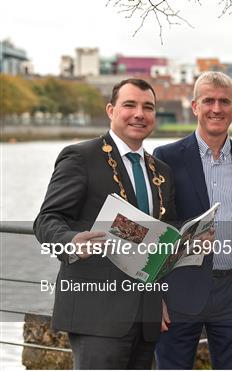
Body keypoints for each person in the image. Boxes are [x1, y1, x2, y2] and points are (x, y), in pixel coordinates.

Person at [33, 78, 177, 369]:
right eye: (130, 105)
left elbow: (162, 238)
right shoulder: (81, 157)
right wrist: (72, 241)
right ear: (111, 110)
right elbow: (47, 220)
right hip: (95, 314)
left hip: (146, 316)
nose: (139, 113)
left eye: (147, 107)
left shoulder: (161, 171)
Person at [153, 71, 232, 369]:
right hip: (179, 289)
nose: (217, 109)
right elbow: (156, 227)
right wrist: (154, 294)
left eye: (224, 102)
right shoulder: (166, 157)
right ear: (194, 106)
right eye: (208, 101)